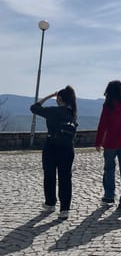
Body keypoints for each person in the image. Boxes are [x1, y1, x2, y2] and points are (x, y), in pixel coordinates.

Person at [29, 86, 78, 220]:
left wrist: (48, 96)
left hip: (51, 146)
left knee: (49, 175)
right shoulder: (72, 113)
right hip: (67, 148)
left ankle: (50, 203)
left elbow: (34, 107)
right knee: (65, 178)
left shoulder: (53, 111)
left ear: (59, 99)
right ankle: (65, 209)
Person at [95, 80, 121, 211]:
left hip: (110, 142)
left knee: (109, 169)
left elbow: (102, 124)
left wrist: (98, 141)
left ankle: (109, 195)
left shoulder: (108, 105)